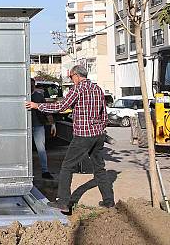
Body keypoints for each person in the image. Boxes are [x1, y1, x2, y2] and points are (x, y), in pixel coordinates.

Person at [25, 65, 114, 214]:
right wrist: (100, 129)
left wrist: (37, 106)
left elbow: (61, 106)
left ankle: (63, 202)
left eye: (71, 77)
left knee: (67, 167)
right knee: (99, 168)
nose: (71, 80)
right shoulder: (97, 89)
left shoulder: (78, 89)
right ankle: (109, 202)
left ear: (77, 76)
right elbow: (103, 114)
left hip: (83, 136)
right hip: (98, 135)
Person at [30, 78, 55, 180]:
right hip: (25, 127)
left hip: (38, 126)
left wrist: (52, 124)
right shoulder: (22, 96)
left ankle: (45, 171)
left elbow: (47, 110)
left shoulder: (38, 96)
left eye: (32, 84)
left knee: (41, 149)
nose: (31, 86)